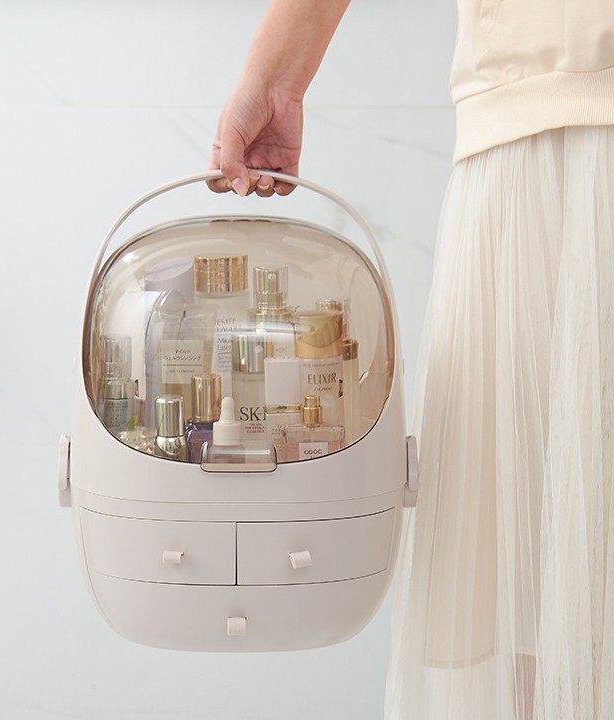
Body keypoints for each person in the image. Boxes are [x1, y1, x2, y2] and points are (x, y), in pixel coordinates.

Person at [209, 1, 614, 719]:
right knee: (541, 587)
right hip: (536, 117)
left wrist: (276, 83)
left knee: (546, 590)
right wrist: (276, 82)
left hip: (540, 125)